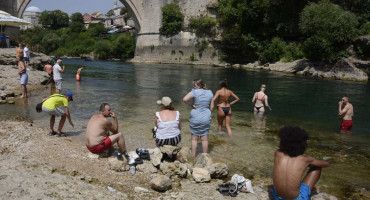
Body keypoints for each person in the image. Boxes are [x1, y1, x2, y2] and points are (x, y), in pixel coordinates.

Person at [272, 126, 329, 200]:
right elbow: (326, 164)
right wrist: (309, 163)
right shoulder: (306, 159)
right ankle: (311, 190)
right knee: (317, 166)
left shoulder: (277, 153)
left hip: (277, 197)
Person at [183, 78, 214, 157]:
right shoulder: (210, 92)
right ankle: (205, 157)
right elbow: (212, 107)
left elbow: (185, 99)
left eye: (194, 85)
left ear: (199, 85)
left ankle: (193, 156)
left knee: (194, 138)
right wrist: (208, 112)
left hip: (195, 116)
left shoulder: (194, 92)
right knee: (204, 138)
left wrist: (191, 105)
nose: (193, 87)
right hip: (206, 116)